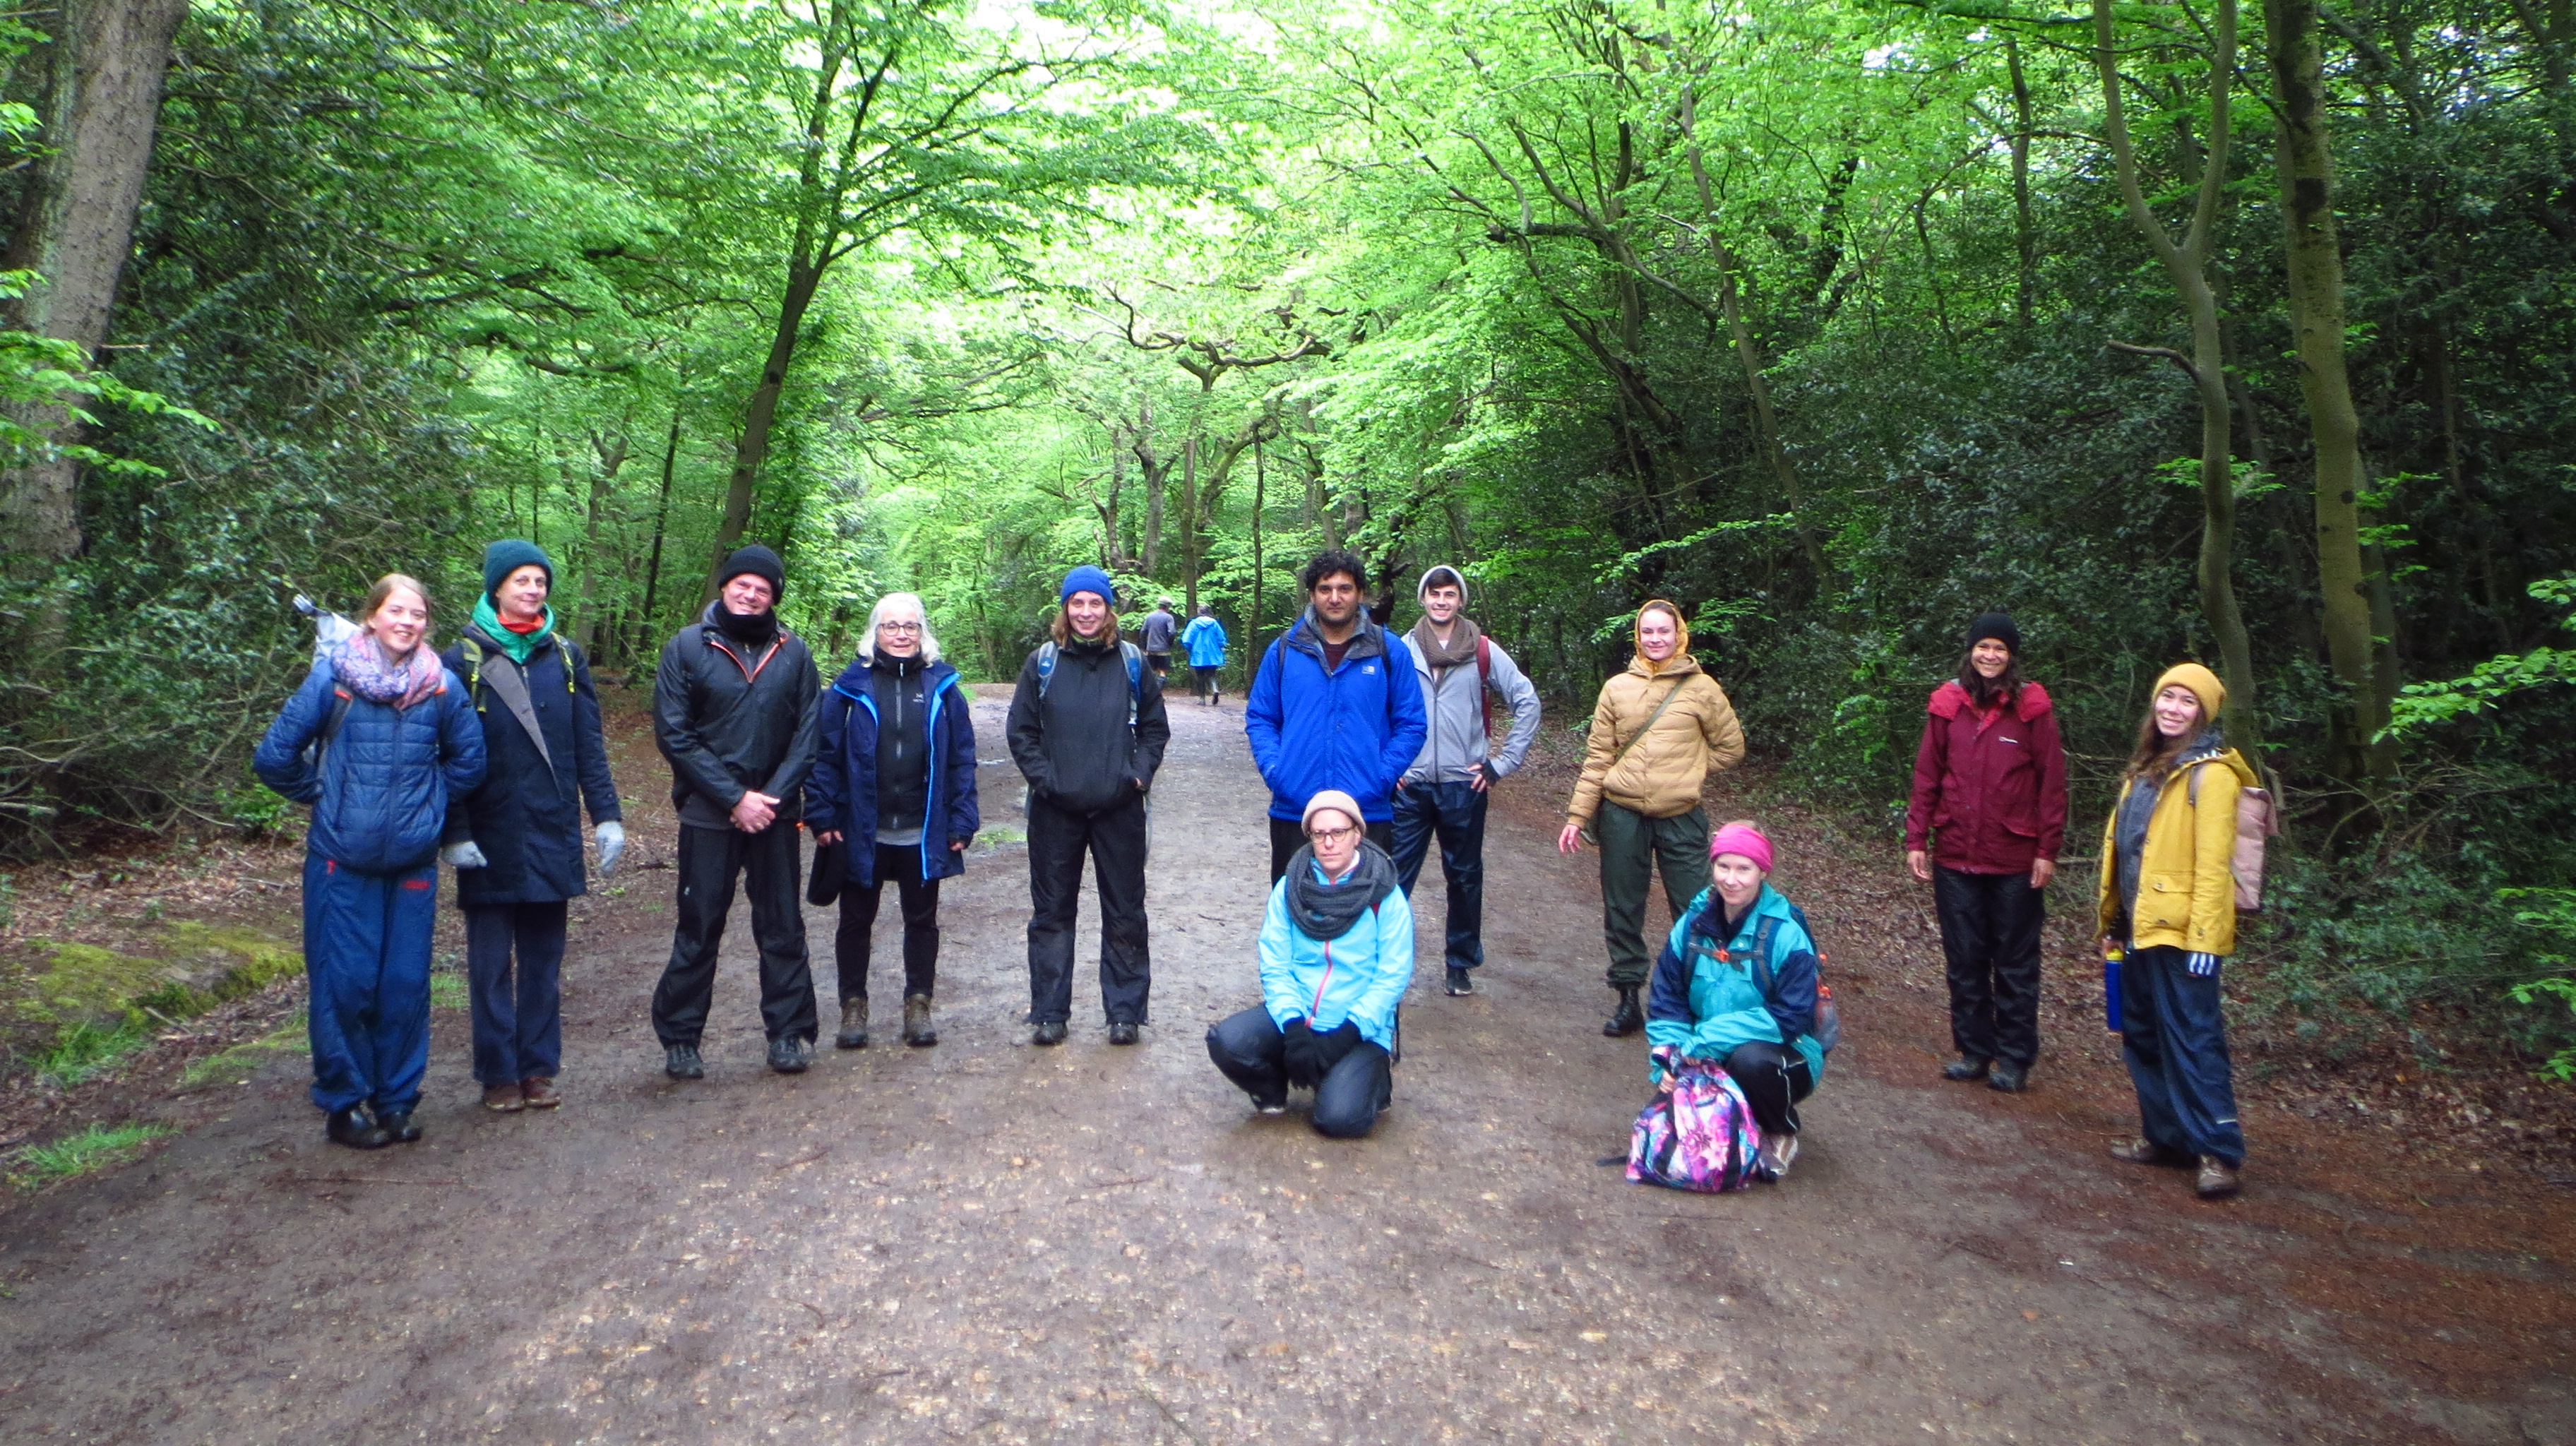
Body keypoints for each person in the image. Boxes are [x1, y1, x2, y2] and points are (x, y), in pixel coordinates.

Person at [255, 575, 485, 1149]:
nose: (407, 622)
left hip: (412, 864)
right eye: (396, 611)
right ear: (373, 616)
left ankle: (396, 1102)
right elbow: (274, 757)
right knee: (346, 986)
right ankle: (344, 1105)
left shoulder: (441, 686)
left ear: (427, 623)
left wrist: (430, 807)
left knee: (404, 985)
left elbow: (471, 758)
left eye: (418, 614)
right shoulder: (333, 679)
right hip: (342, 862)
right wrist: (322, 796)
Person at [438, 540, 625, 1113]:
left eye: (540, 581)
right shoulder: (461, 659)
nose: (533, 589)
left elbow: (588, 743)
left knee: (544, 962)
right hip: (489, 832)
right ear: (496, 587)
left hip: (551, 827)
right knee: (490, 965)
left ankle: (538, 1069)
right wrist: (455, 832)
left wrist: (607, 815)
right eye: (521, 580)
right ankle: (498, 1074)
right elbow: (444, 752)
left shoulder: (564, 657)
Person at [649, 544, 823, 1080]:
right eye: (742, 584)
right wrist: (733, 798)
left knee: (782, 926)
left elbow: (808, 734)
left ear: (774, 597)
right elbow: (675, 733)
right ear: (725, 586)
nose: (750, 595)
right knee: (699, 926)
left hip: (775, 813)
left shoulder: (794, 653)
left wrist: (770, 798)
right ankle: (681, 1039)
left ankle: (789, 1033)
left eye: (762, 589)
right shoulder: (687, 647)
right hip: (708, 812)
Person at [2097, 663, 2252, 1200]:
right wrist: (2114, 923)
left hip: (2184, 936)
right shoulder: (2145, 768)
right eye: (2168, 698)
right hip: (2141, 927)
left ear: (2203, 714)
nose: (2173, 709)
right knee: (2143, 1034)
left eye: (2187, 702)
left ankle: (2218, 1153)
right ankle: (2167, 1138)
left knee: (2193, 1038)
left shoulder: (2214, 775)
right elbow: (2126, 852)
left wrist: (2206, 939)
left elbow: (2214, 867)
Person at [1558, 600, 1746, 1036]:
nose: (1656, 639)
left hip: (1681, 816)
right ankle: (1628, 999)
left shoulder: (1702, 689)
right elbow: (1598, 758)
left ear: (1679, 634)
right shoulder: (1617, 688)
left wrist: (1689, 771)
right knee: (1623, 907)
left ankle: (1697, 1002)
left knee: (1696, 908)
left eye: (1664, 631)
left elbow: (1731, 747)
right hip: (1622, 815)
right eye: (1648, 631)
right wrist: (1577, 815)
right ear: (1637, 636)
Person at [1904, 611, 2068, 1094]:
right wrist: (1917, 838)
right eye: (1983, 647)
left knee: (2015, 962)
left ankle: (2014, 1057)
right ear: (1971, 651)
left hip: (2015, 857)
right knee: (1965, 957)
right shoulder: (1947, 703)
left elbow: (2052, 784)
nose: (1990, 656)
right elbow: (1927, 775)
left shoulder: (2033, 708)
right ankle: (1974, 1050)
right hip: (1956, 853)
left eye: (1999, 648)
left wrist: (2047, 849)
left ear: (2011, 656)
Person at [1006, 564, 1170, 1046]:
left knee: (1125, 911)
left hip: (1120, 808)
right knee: (1051, 912)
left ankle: (1124, 1012)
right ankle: (1049, 1012)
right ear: (1065, 608)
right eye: (1077, 603)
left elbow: (1155, 729)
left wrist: (1138, 775)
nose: (1085, 612)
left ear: (1108, 609)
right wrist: (1046, 780)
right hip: (1055, 809)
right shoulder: (1042, 663)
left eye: (1095, 603)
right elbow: (1021, 731)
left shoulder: (1132, 663)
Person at [809, 592, 979, 1051]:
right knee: (854, 921)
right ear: (875, 632)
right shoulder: (848, 689)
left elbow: (962, 759)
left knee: (921, 920)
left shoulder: (943, 688)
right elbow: (823, 756)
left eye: (910, 626)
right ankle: (853, 1008)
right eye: (891, 626)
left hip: (922, 830)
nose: (901, 635)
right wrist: (822, 814)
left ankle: (918, 1005)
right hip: (862, 828)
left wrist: (962, 818)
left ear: (922, 632)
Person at [1206, 790, 1414, 1139]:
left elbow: (1392, 976)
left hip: (1357, 1027)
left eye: (1338, 832)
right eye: (1319, 834)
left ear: (1357, 834)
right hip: (1301, 1013)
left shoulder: (1386, 896)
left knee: (1338, 1120)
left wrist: (1345, 1035)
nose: (1328, 843)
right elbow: (1275, 962)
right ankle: (1272, 1087)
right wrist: (1293, 1026)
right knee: (1227, 1042)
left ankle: (1371, 1082)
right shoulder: (1290, 887)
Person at [1643, 822, 1825, 1179]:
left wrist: (1707, 1039)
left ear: (1762, 872)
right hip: (1701, 1050)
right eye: (1723, 867)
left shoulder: (1787, 935)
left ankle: (1779, 1130)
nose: (1731, 880)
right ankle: (1737, 1119)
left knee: (1751, 1062)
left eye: (1744, 869)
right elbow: (1667, 998)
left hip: (1784, 1055)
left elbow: (1789, 1018)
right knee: (1669, 1142)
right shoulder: (1692, 924)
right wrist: (1669, 1057)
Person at [1392, 565, 1541, 996]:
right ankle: (1385, 962)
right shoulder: (1401, 650)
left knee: (1464, 877)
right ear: (1423, 598)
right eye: (1434, 593)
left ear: (1460, 600)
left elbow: (1527, 701)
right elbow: (1376, 709)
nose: (1441, 601)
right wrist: (1391, 766)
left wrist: (1502, 763)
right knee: (1394, 877)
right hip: (1412, 785)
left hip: (1464, 784)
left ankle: (1459, 964)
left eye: (1450, 594)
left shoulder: (1482, 650)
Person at [1244, 549, 1428, 883]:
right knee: (1295, 905)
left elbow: (1412, 723)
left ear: (1360, 594)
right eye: (1325, 589)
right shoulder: (1284, 650)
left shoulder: (1388, 651)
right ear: (1312, 595)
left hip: (1366, 812)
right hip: (1295, 809)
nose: (1334, 598)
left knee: (1366, 907)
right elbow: (1261, 718)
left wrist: (1380, 777)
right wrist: (1277, 771)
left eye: (1345, 589)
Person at [1180, 603, 1228, 705]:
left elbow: (1186, 640)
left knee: (1200, 676)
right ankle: (1215, 689)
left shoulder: (1193, 624)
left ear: (1199, 612)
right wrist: (1221, 646)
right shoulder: (1214, 623)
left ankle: (1202, 699)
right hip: (1212, 653)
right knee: (1212, 674)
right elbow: (1221, 638)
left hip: (1198, 654)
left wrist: (1190, 649)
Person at [1138, 596, 1179, 683]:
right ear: (1167, 606)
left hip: (1150, 649)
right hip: (1163, 650)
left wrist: (1144, 647)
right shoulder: (1169, 618)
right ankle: (1159, 689)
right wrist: (1169, 644)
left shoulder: (1150, 616)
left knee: (1152, 671)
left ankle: (1151, 689)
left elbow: (1143, 632)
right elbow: (1172, 633)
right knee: (1163, 672)